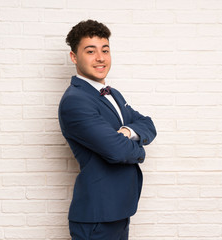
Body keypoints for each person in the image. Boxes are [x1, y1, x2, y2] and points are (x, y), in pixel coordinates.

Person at [58, 20, 157, 240]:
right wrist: (140, 150)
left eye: (105, 50)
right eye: (90, 51)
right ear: (74, 57)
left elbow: (148, 124)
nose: (100, 57)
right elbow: (118, 152)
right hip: (97, 217)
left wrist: (126, 133)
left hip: (117, 212)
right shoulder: (76, 101)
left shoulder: (113, 94)